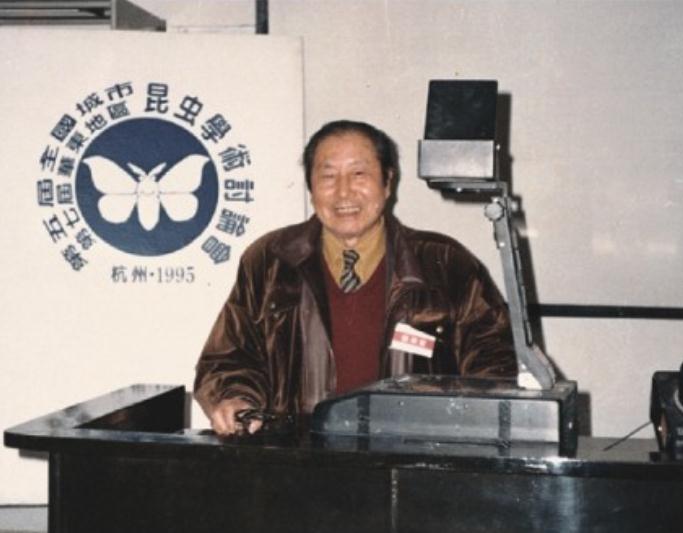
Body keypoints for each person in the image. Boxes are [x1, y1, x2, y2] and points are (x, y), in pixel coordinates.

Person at [194, 120, 516, 435]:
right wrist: (235, 398)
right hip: (299, 457)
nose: (343, 192)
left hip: (412, 457)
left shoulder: (446, 263)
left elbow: (496, 361)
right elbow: (228, 357)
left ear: (388, 182)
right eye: (328, 176)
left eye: (359, 174)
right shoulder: (270, 260)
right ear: (310, 188)